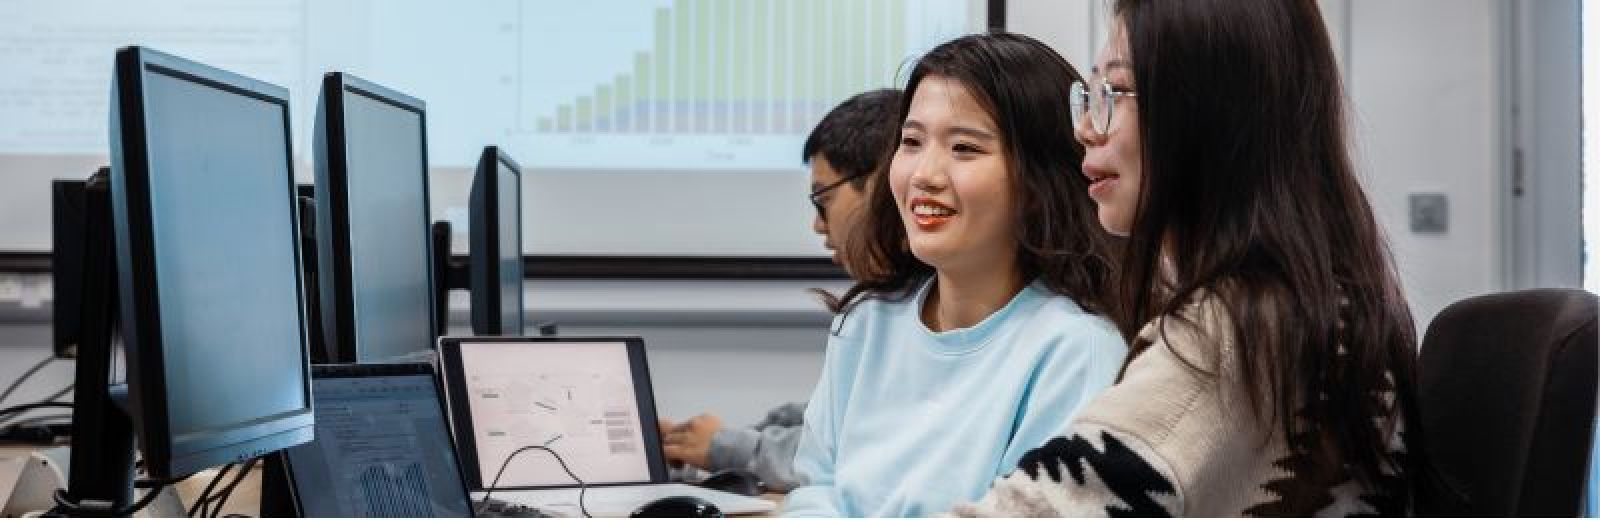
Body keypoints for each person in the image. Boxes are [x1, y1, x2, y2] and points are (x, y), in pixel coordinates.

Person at [952, 0, 1438, 515]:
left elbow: (1038, 509)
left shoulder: (1243, 329)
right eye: (1090, 95)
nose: (1086, 128)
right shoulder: (1318, 302)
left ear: (1207, 113)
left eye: (1114, 93)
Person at [782, 33, 1126, 517]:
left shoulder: (1076, 349)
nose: (925, 173)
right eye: (912, 142)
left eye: (964, 147)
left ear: (1036, 182)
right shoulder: (866, 322)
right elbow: (814, 490)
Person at [657, 88, 904, 493]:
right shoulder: (876, 312)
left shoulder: (940, 309)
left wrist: (727, 447)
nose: (818, 225)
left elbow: (857, 453)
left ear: (881, 188)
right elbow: (836, 423)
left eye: (823, 200)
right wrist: (703, 443)